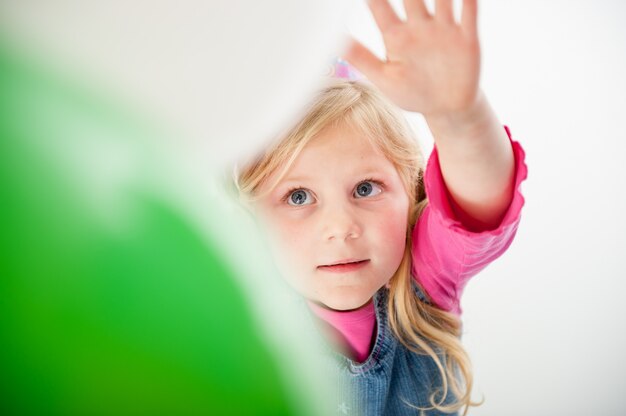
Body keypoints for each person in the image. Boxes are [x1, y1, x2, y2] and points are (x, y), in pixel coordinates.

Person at [234, 0, 527, 414]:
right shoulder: (241, 321)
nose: (340, 226)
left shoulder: (426, 281)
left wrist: (457, 117)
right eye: (298, 196)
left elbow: (481, 201)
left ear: (412, 192)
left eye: (366, 188)